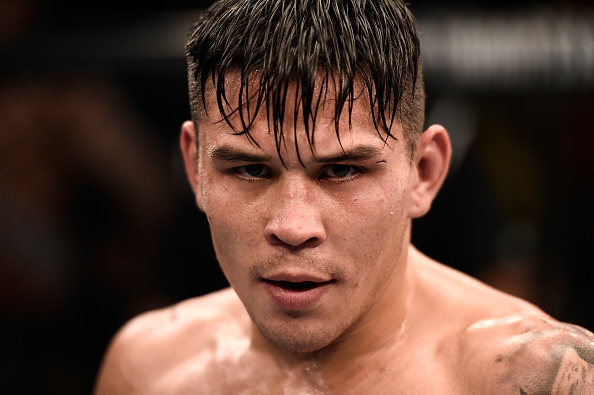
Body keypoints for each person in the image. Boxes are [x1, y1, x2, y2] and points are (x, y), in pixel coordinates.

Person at [94, 0, 594, 393]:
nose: (292, 226)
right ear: (194, 165)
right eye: (250, 169)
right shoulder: (148, 369)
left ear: (424, 172)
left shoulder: (532, 379)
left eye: (341, 170)